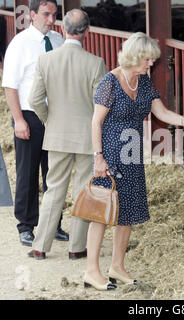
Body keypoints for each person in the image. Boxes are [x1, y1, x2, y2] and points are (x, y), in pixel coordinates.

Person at [86, 32, 184, 291]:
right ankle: (91, 271)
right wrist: (98, 157)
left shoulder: (143, 83)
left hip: (132, 155)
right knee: (100, 212)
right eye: (147, 59)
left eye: (152, 60)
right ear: (133, 56)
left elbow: (162, 113)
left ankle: (117, 267)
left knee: (127, 212)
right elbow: (96, 122)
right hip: (108, 155)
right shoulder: (110, 82)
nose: (150, 64)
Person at [27, 9, 107, 262]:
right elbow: (102, 105)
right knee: (84, 190)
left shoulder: (46, 60)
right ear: (88, 31)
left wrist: (49, 119)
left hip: (57, 134)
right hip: (87, 137)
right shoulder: (96, 63)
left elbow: (34, 99)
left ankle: (40, 246)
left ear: (63, 29)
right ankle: (77, 247)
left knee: (53, 189)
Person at [1, 0, 68, 247]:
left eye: (54, 15)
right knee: (27, 172)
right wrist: (19, 119)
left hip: (56, 116)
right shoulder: (19, 44)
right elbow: (10, 85)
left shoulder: (59, 41)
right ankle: (26, 225)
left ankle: (53, 224)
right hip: (29, 115)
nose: (51, 19)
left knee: (55, 173)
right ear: (32, 15)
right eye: (46, 14)